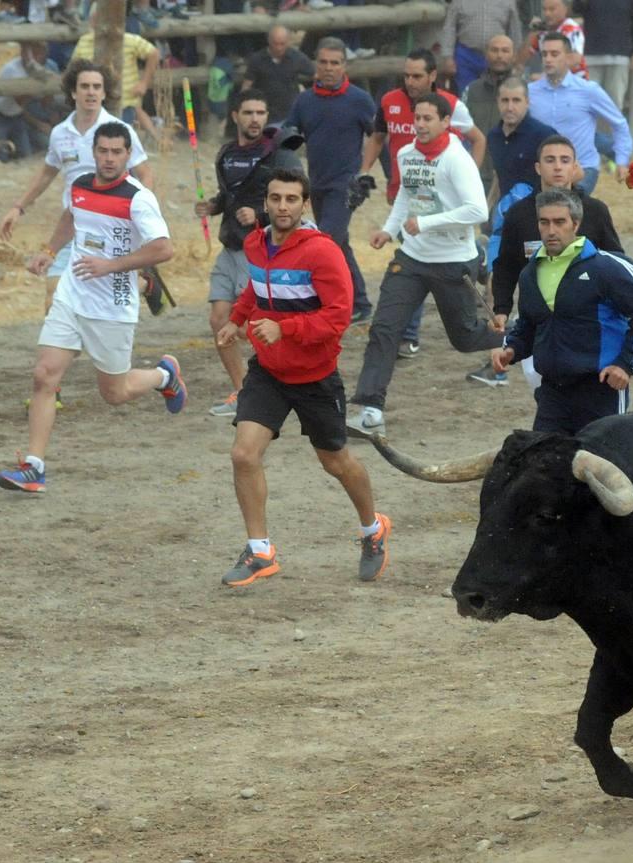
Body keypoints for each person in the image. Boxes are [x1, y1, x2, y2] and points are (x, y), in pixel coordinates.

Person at [214, 167, 392, 587]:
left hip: (315, 377)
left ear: (304, 203)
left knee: (336, 461)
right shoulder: (256, 244)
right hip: (269, 373)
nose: (282, 207)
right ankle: (260, 552)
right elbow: (255, 289)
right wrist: (236, 320)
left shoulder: (322, 252)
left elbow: (338, 317)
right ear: (266, 202)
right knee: (243, 455)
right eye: (275, 198)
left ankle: (372, 529)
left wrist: (284, 329)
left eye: (291, 199)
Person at [0, 122, 182, 494]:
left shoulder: (138, 198)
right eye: (103, 151)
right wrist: (49, 253)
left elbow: (164, 248)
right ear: (94, 152)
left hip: (112, 305)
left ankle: (164, 376)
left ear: (128, 155)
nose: (109, 158)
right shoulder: (81, 185)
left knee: (114, 394)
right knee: (44, 375)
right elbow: (70, 216)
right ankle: (34, 467)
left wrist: (110, 266)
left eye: (117, 152)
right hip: (71, 295)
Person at [349, 93, 502, 434]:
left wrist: (428, 223)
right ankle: (370, 410)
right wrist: (389, 230)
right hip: (412, 258)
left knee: (464, 338)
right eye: (416, 118)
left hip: (452, 262)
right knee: (384, 329)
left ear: (446, 122)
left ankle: (521, 338)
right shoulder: (405, 154)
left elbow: (477, 210)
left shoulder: (456, 159)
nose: (419, 124)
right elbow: (407, 194)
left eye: (428, 118)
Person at [0, 60, 153, 357]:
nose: (91, 93)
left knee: (110, 300)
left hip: (112, 229)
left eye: (97, 87)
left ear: (105, 93)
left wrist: (140, 215)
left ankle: (143, 284)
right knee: (53, 299)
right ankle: (52, 379)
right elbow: (46, 173)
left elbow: (145, 173)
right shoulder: (60, 133)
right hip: (72, 228)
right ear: (73, 91)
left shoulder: (118, 131)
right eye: (85, 86)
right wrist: (18, 207)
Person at [490, 189, 633, 434]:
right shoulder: (530, 273)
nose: (551, 230)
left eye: (560, 222)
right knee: (543, 463)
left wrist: (625, 365)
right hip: (552, 390)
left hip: (601, 388)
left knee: (603, 464)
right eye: (544, 222)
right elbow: (529, 325)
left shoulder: (607, 267)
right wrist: (511, 349)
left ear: (575, 224)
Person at [358, 49, 486, 357]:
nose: (411, 81)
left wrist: (468, 180)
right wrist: (364, 173)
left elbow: (478, 139)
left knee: (421, 257)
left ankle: (479, 261)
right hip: (405, 189)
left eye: (417, 75)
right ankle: (406, 333)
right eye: (406, 75)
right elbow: (378, 137)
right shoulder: (389, 101)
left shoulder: (453, 105)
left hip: (443, 203)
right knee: (413, 257)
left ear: (432, 76)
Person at [480, 133, 623, 386]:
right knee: (545, 395)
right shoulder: (518, 214)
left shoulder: (596, 211)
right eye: (550, 160)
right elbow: (506, 266)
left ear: (575, 167)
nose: (558, 166)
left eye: (565, 160)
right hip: (537, 324)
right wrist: (501, 309)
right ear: (538, 167)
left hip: (588, 324)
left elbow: (617, 263)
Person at [199, 90, 305, 417]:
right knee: (219, 320)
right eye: (248, 112)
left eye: (261, 112)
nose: (255, 119)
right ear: (236, 117)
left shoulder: (278, 155)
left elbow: (295, 200)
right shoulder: (226, 154)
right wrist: (213, 206)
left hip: (260, 249)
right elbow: (227, 196)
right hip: (230, 247)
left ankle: (291, 378)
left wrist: (259, 214)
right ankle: (243, 391)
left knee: (255, 324)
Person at [287, 37, 376, 323]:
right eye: (323, 62)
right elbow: (290, 135)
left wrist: (366, 173)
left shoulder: (360, 100)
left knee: (323, 243)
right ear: (316, 65)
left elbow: (379, 136)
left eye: (334, 63)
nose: (328, 68)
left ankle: (323, 304)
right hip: (315, 184)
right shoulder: (304, 100)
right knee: (339, 243)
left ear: (344, 66)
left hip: (346, 185)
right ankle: (360, 302)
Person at [528, 32, 632, 195]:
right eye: (544, 54)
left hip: (583, 167)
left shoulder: (588, 90)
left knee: (567, 209)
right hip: (544, 170)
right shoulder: (529, 93)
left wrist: (622, 160)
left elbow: (619, 123)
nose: (548, 59)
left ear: (568, 57)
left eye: (554, 54)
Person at [71, 5, 161, 144]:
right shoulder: (85, 42)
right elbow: (74, 69)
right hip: (93, 104)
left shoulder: (130, 40)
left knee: (116, 142)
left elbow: (153, 53)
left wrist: (144, 82)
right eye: (96, 19)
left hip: (124, 102)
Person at [459, 34, 518, 188]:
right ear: (486, 54)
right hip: (475, 174)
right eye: (494, 50)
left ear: (513, 55)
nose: (499, 55)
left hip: (511, 175)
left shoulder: (525, 91)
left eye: (505, 51)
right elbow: (459, 131)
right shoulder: (471, 90)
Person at [484, 75, 557, 199]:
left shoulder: (544, 135)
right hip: (507, 213)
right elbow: (499, 176)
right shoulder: (493, 136)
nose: (510, 108)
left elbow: (575, 173)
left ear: (527, 102)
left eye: (516, 100)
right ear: (498, 101)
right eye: (505, 100)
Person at [0, 42, 57, 161]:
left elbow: (47, 100)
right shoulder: (12, 69)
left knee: (25, 155)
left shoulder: (46, 67)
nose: (37, 57)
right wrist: (41, 86)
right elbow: (20, 101)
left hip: (16, 116)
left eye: (40, 54)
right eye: (33, 54)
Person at [437, 0, 522, 92]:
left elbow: (514, 29)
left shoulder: (508, 2)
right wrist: (448, 57)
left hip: (497, 56)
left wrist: (515, 56)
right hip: (466, 56)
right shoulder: (458, 2)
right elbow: (450, 28)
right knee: (466, 92)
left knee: (498, 92)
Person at [582, 0, 633, 109]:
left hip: (619, 55)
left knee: (614, 105)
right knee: (588, 102)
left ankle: (612, 126)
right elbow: (576, 8)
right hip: (591, 56)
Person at [241, 25, 313, 123]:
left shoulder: (297, 58)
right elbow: (246, 86)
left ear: (288, 42)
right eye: (275, 44)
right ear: (269, 41)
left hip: (290, 114)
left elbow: (316, 75)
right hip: (264, 114)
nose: (279, 48)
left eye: (282, 44)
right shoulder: (257, 59)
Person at [523, 0, 587, 77]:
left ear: (565, 9)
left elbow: (575, 60)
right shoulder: (542, 31)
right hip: (552, 82)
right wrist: (532, 33)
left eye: (552, 9)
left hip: (575, 81)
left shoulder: (571, 28)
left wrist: (545, 76)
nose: (547, 14)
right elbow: (521, 61)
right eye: (544, 9)